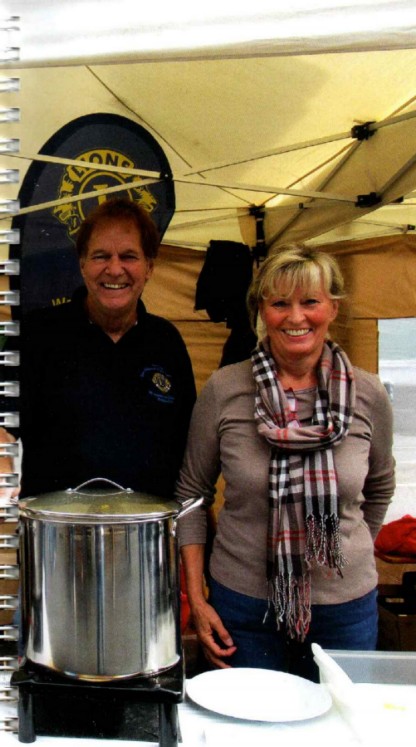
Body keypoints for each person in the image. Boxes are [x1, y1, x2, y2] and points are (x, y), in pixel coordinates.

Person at [175, 243, 395, 682]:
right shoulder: (226, 389)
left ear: (333, 307)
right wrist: (197, 599)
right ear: (261, 310)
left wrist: (346, 552)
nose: (296, 317)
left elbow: (381, 487)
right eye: (280, 303)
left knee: (339, 718)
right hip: (244, 606)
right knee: (251, 718)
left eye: (310, 301)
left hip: (345, 610)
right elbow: (191, 496)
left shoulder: (368, 394)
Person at [0, 196, 196, 501]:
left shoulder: (167, 341)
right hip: (55, 527)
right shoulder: (35, 335)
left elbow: (191, 450)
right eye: (101, 256)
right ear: (82, 265)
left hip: (150, 528)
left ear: (149, 267)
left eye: (128, 256)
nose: (114, 269)